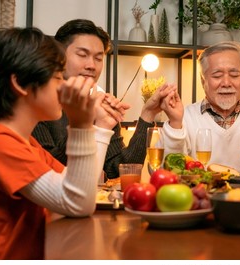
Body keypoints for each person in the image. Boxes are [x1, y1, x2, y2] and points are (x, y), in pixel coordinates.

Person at [0, 27, 114, 259]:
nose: (63, 85)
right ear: (20, 84)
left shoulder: (27, 143)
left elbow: (83, 188)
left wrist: (101, 127)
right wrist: (80, 126)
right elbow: (77, 203)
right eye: (57, 77)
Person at [32, 19, 177, 179]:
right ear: (58, 56)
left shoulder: (99, 105)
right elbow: (46, 172)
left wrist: (147, 115)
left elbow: (120, 170)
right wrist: (85, 123)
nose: (91, 65)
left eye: (98, 58)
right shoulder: (37, 102)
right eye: (82, 55)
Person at [160, 41, 240, 176]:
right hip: (201, 196)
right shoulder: (184, 117)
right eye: (217, 76)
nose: (226, 83)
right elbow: (164, 172)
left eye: (234, 75)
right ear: (203, 80)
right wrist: (175, 124)